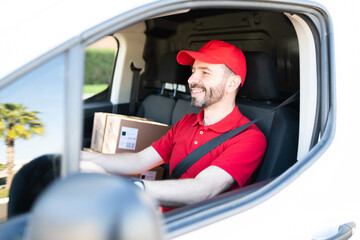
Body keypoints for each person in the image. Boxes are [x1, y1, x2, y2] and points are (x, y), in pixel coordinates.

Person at [81, 40, 267, 210]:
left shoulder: (249, 138)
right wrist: (81, 159)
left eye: (205, 72)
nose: (191, 79)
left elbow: (204, 189)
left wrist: (126, 188)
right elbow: (139, 161)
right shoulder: (186, 122)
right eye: (193, 71)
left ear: (231, 84)